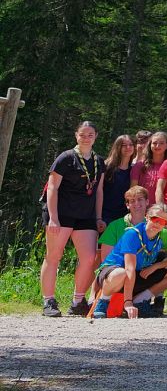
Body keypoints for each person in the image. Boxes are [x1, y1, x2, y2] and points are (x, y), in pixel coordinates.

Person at [41, 120, 106, 317]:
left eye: (90, 135)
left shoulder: (98, 160)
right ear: (76, 135)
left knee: (88, 258)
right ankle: (48, 301)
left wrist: (98, 217)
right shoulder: (66, 158)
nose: (86, 138)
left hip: (85, 216)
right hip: (61, 214)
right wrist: (53, 218)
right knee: (54, 256)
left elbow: (99, 191)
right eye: (82, 134)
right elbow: (52, 188)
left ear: (96, 136)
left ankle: (78, 301)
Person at [91, 203, 167, 319]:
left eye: (163, 222)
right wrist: (127, 302)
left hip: (137, 274)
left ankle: (140, 300)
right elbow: (129, 268)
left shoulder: (162, 236)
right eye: (155, 219)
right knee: (120, 273)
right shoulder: (133, 234)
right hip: (114, 274)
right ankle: (103, 302)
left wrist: (156, 266)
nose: (158, 224)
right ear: (147, 217)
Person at [102, 134, 136, 224]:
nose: (128, 147)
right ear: (117, 147)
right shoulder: (106, 166)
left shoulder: (134, 169)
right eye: (124, 145)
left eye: (131, 145)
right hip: (105, 214)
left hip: (125, 215)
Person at [130, 130, 167, 203]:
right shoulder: (139, 165)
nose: (157, 146)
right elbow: (133, 191)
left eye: (161, 143)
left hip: (164, 210)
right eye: (154, 143)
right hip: (142, 210)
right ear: (150, 145)